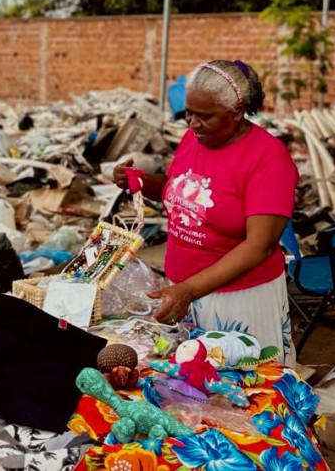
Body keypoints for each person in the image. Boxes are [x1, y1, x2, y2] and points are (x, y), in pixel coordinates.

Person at [114, 60, 299, 365]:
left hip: (238, 301)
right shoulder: (194, 140)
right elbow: (178, 193)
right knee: (196, 394)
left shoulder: (268, 158)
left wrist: (189, 289)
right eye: (189, 113)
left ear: (237, 112)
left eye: (205, 116)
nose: (193, 124)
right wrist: (141, 182)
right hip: (185, 293)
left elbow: (260, 245)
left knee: (245, 390)